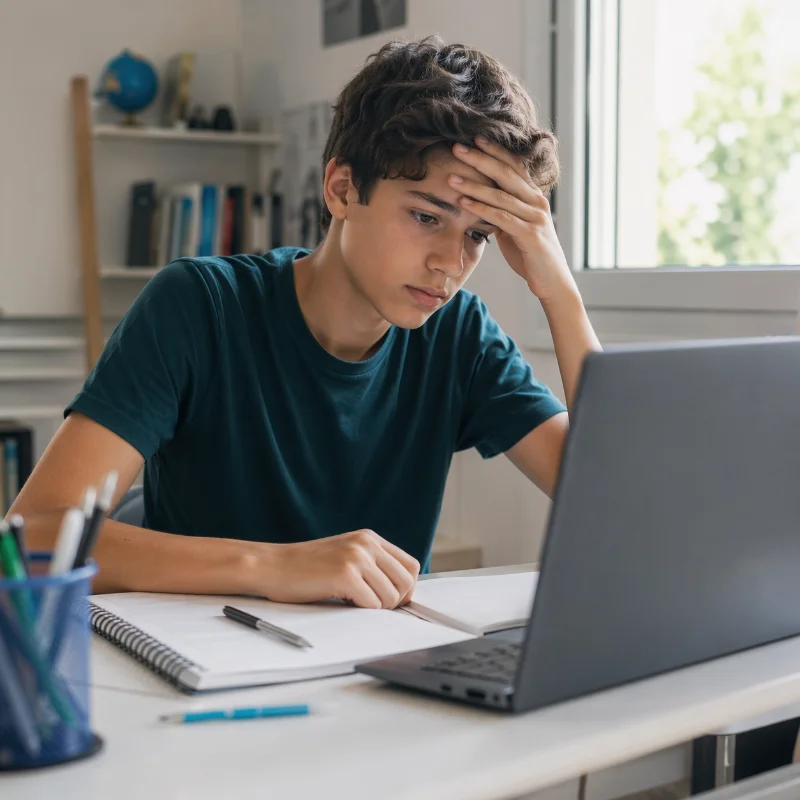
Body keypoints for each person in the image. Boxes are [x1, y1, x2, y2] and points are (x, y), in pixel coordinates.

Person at [11, 36, 600, 608]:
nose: (452, 263)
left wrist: (560, 293)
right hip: (198, 673)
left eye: (478, 235)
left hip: (370, 677)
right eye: (426, 216)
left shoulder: (459, 335)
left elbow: (607, 500)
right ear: (342, 189)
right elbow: (33, 533)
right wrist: (272, 564)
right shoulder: (197, 306)